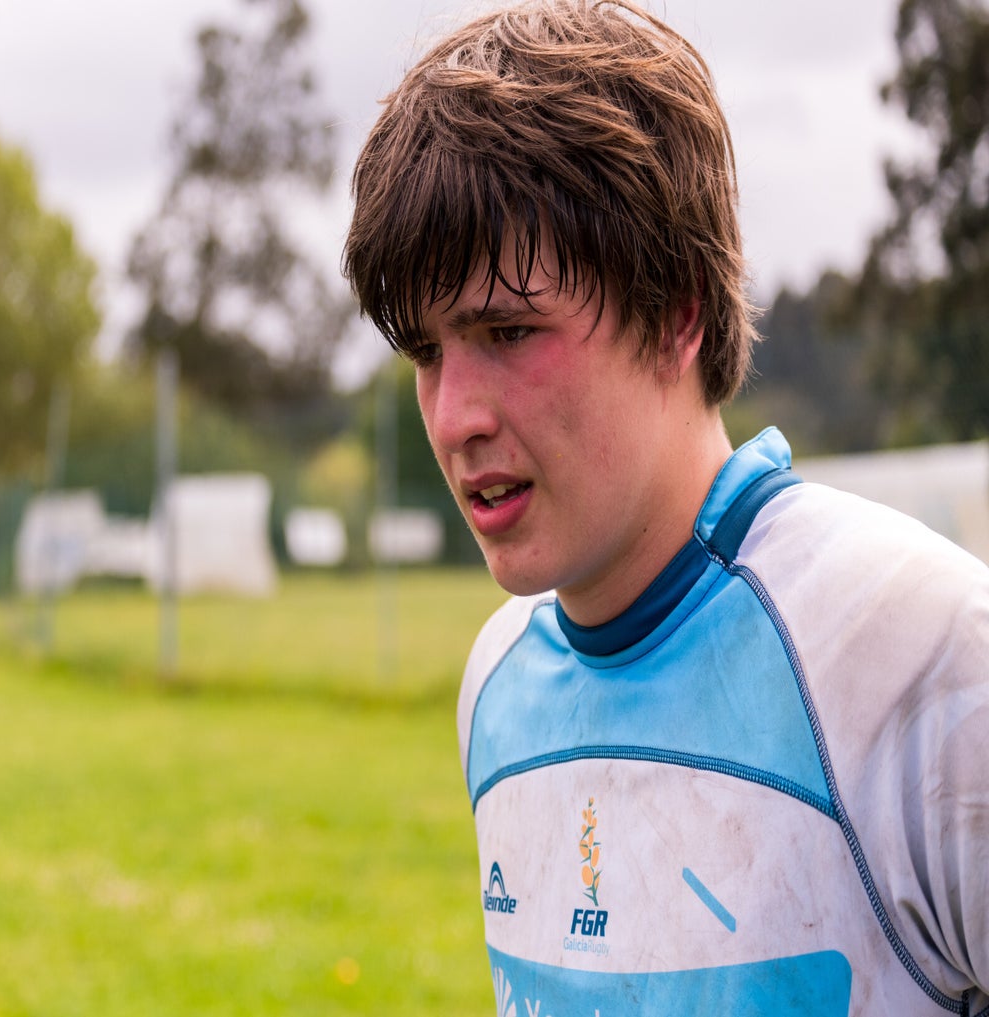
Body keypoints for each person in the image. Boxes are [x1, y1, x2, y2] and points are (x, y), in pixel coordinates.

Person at [342, 1, 989, 1014]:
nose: (454, 416)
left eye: (508, 332)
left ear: (677, 313)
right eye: (427, 351)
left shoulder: (929, 654)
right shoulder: (496, 684)